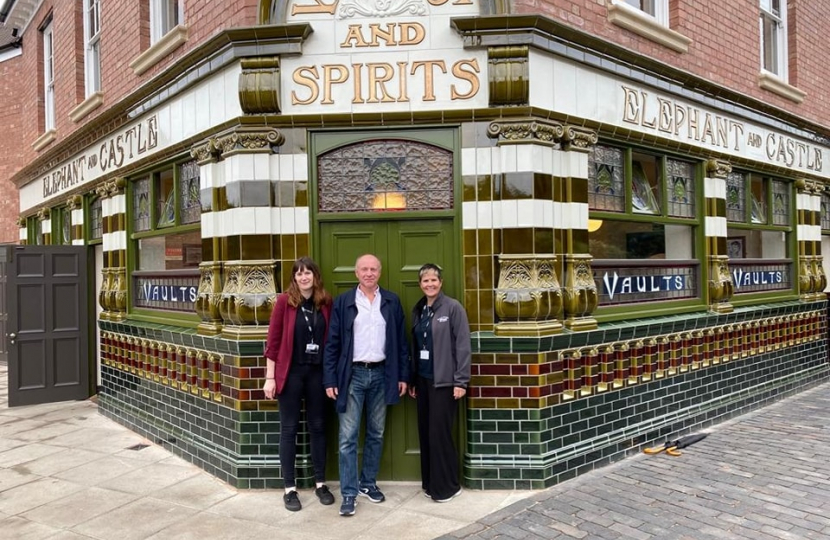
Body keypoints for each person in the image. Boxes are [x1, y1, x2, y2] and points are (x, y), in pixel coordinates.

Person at [323, 254, 410, 517]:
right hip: (352, 376)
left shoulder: (392, 301)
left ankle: (368, 483)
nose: (369, 273)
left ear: (380, 273)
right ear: (356, 273)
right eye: (364, 269)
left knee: (376, 433)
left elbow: (402, 343)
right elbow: (332, 344)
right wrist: (330, 379)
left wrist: (403, 376)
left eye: (373, 269)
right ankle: (349, 493)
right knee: (347, 437)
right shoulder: (345, 302)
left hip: (383, 374)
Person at [263, 257, 335, 512]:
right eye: (299, 274)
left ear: (316, 276)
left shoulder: (325, 302)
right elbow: (273, 342)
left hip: (317, 374)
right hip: (290, 374)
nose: (304, 277)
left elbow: (331, 340)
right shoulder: (284, 302)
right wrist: (270, 377)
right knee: (289, 429)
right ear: (294, 278)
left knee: (318, 427)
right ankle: (290, 488)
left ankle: (320, 483)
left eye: (308, 273)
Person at [408, 263, 471, 503]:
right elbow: (417, 345)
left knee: (439, 433)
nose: (430, 284)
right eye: (425, 281)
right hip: (423, 382)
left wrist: (461, 381)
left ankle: (448, 487)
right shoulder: (419, 309)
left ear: (440, 283)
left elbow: (463, 346)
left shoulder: (453, 308)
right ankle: (431, 483)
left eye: (433, 280)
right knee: (425, 433)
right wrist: (413, 379)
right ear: (420, 284)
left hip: (445, 383)